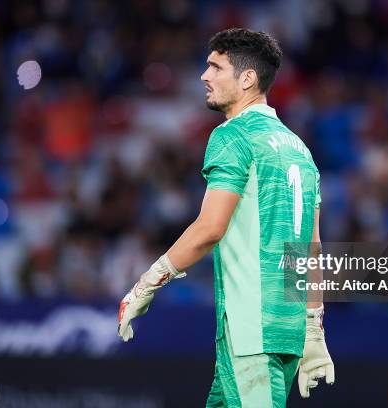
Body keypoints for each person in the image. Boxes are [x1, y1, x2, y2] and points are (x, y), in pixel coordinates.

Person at [117, 28, 334, 407]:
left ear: (247, 78)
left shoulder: (232, 136)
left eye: (216, 67)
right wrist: (313, 327)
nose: (204, 76)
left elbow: (210, 228)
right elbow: (312, 248)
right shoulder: (300, 150)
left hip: (251, 328)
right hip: (286, 329)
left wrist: (147, 283)